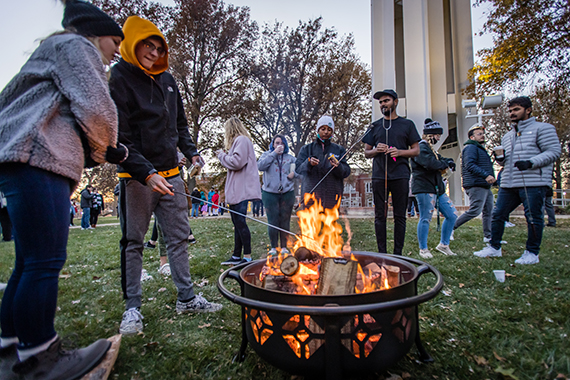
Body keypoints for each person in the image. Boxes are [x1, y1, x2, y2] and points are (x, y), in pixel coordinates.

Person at [0, 1, 127, 378]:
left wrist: (94, 151)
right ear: (96, 34)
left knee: (27, 259)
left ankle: (10, 341)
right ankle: (42, 357)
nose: (116, 50)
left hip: (21, 158)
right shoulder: (77, 48)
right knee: (45, 261)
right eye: (114, 41)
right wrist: (109, 147)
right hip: (38, 157)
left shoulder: (51, 51)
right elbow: (96, 107)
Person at [110, 15, 221, 335]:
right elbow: (122, 136)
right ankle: (132, 308)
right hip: (136, 178)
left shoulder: (169, 80)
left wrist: (191, 150)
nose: (154, 52)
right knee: (133, 242)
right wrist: (145, 173)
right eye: (148, 45)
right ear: (133, 42)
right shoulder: (119, 77)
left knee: (179, 239)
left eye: (159, 48)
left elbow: (181, 125)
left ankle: (186, 297)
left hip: (172, 176)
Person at [474, 96, 561, 264]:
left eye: (516, 110)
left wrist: (531, 163)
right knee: (497, 214)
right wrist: (500, 159)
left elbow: (553, 152)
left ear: (528, 110)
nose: (512, 113)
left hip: (533, 181)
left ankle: (532, 253)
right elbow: (506, 161)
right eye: (510, 111)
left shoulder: (543, 129)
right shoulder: (508, 136)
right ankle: (494, 247)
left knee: (533, 217)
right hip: (509, 182)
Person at [363, 89, 420, 255]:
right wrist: (376, 150)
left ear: (395, 102)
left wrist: (399, 152)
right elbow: (366, 153)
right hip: (379, 175)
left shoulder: (407, 124)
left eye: (386, 101)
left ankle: (397, 255)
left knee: (400, 216)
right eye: (380, 102)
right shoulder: (374, 126)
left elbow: (416, 150)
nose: (383, 104)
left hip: (400, 174)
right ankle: (382, 253)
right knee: (380, 216)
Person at [217, 117, 262, 265]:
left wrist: (221, 156)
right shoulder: (240, 142)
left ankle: (247, 257)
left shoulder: (241, 140)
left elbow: (237, 162)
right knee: (237, 223)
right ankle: (236, 256)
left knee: (240, 223)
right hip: (237, 190)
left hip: (241, 190)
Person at [411, 119, 458, 258]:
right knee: (425, 218)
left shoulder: (431, 149)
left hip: (437, 188)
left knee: (452, 214)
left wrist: (447, 161)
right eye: (437, 135)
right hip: (424, 188)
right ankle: (423, 249)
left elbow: (438, 159)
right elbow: (431, 163)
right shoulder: (421, 148)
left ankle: (443, 245)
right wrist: (444, 164)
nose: (439, 138)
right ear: (430, 135)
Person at [296, 116, 351, 210]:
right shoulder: (306, 149)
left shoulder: (339, 150)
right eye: (323, 129)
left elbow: (346, 171)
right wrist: (308, 163)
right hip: (311, 196)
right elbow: (298, 168)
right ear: (317, 130)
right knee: (311, 224)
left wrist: (338, 166)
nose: (326, 132)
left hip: (332, 197)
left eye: (329, 129)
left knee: (330, 224)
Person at [453, 125, 495, 242]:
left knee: (488, 211)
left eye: (482, 133)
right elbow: (469, 165)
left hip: (484, 184)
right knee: (475, 210)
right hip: (476, 184)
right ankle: (451, 228)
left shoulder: (480, 149)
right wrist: (485, 175)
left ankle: (488, 236)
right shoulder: (470, 148)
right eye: (479, 134)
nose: (482, 136)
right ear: (472, 137)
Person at [258, 134, 298, 256]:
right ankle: (274, 246)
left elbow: (299, 170)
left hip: (287, 193)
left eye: (282, 143)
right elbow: (260, 166)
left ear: (285, 145)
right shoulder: (266, 155)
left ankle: (284, 246)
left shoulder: (290, 158)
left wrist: (294, 174)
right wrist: (274, 153)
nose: (279, 145)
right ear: (273, 144)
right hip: (270, 193)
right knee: (272, 220)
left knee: (285, 220)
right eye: (277, 142)